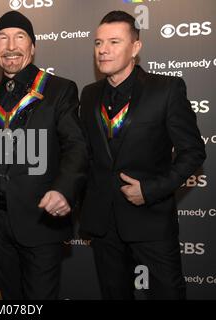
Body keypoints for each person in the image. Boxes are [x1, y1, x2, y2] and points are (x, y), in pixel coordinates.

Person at [79, 11, 206, 299]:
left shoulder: (167, 89)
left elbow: (193, 152)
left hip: (150, 221)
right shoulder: (88, 94)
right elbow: (85, 155)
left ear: (136, 47)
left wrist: (149, 190)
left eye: (114, 41)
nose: (103, 50)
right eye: (98, 43)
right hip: (103, 225)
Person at [0, 11, 88, 299]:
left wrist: (63, 190)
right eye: (2, 38)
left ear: (33, 47)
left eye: (19, 37)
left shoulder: (60, 89)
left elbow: (77, 146)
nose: (10, 46)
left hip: (41, 219)